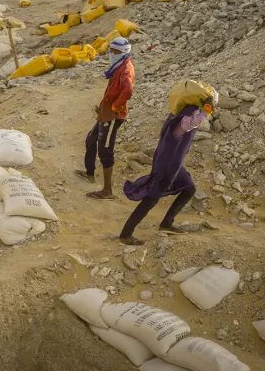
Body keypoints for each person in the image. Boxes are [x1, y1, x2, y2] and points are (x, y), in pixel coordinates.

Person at [118, 91, 217, 245]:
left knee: (189, 188)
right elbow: (191, 123)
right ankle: (126, 234)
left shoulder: (181, 113)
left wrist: (204, 110)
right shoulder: (184, 118)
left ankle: (167, 223)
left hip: (173, 163)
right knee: (151, 199)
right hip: (167, 166)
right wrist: (206, 111)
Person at [75, 37, 134, 199]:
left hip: (113, 116)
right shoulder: (119, 65)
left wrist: (115, 106)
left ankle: (108, 191)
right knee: (91, 140)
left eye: (116, 51)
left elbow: (128, 90)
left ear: (124, 52)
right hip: (106, 112)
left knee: (105, 150)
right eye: (111, 50)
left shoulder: (126, 69)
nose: (112, 53)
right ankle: (90, 173)